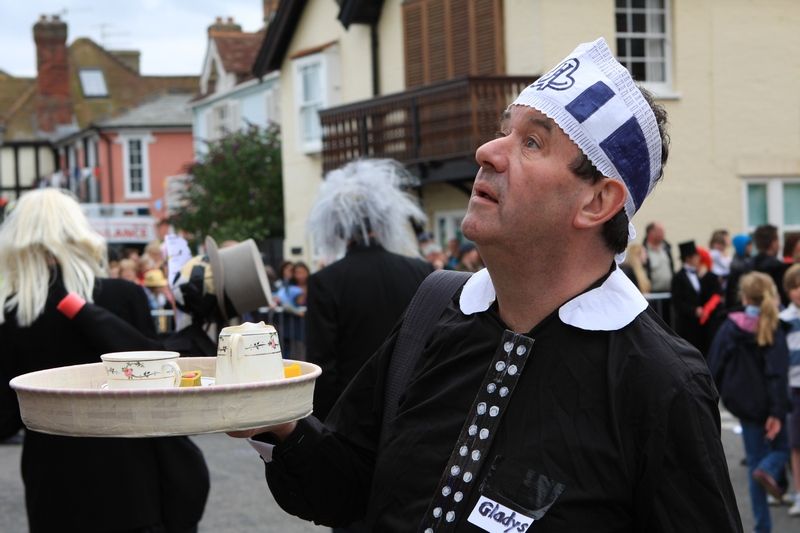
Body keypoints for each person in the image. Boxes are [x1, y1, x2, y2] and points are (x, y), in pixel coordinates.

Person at [231, 38, 741, 531]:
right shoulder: (434, 312)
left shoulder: (659, 382)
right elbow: (346, 487)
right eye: (505, 131)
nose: (487, 151)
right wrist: (280, 427)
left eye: (533, 142)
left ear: (596, 203)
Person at [0, 188, 209, 533]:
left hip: (53, 483)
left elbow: (6, 417)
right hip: (131, 474)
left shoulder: (12, 314)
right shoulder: (123, 295)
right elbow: (153, 381)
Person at [304, 158, 433, 424]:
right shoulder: (422, 271)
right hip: (412, 409)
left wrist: (323, 426)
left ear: (337, 228)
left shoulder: (326, 281)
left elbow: (323, 365)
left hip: (352, 416)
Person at [709, 272, 790, 533]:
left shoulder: (730, 326)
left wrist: (717, 399)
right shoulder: (773, 325)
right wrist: (777, 411)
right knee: (783, 447)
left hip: (743, 405)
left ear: (743, 297)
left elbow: (713, 364)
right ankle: (769, 469)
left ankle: (762, 527)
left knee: (754, 462)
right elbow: (777, 372)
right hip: (769, 405)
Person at [779, 264, 800, 517]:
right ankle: (797, 492)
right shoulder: (783, 321)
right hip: (792, 388)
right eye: (793, 287)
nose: (798, 292)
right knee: (796, 445)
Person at [671, 240, 704, 352]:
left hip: (699, 323)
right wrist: (694, 310)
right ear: (688, 258)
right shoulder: (678, 277)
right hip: (686, 323)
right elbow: (677, 302)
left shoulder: (698, 274)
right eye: (696, 256)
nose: (699, 258)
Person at [752, 224, 790, 305]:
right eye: (778, 241)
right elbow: (784, 295)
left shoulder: (749, 264)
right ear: (773, 243)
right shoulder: (778, 266)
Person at [727, 233, 754, 308]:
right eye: (748, 245)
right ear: (741, 246)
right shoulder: (736, 264)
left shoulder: (750, 259)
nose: (751, 247)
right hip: (739, 301)